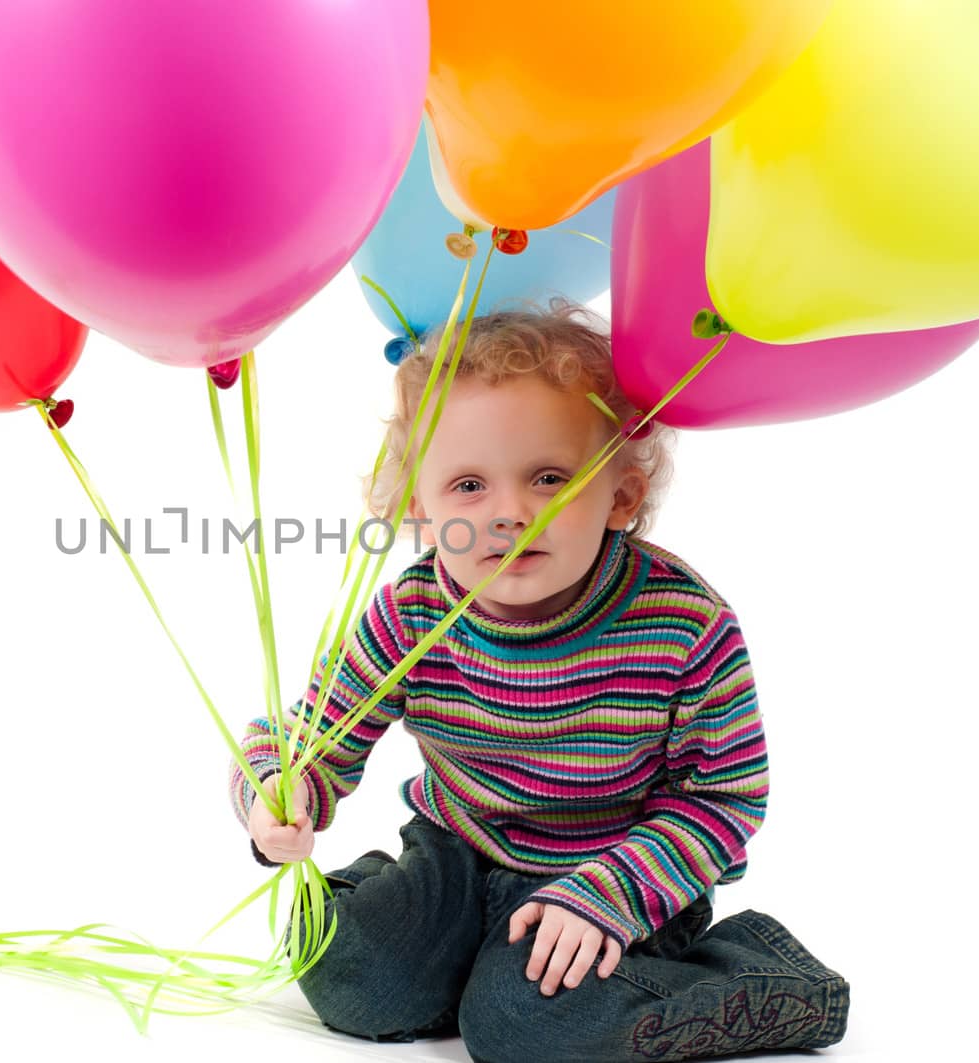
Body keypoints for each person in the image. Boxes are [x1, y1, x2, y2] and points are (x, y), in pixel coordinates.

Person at [226, 303, 850, 1062]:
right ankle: (448, 945)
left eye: (550, 476)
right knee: (357, 981)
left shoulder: (683, 624)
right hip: (461, 849)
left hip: (615, 873)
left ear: (620, 492)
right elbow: (311, 737)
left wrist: (612, 894)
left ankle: (762, 977)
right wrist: (275, 793)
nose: (512, 513)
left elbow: (724, 798)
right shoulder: (413, 613)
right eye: (468, 486)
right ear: (419, 509)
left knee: (519, 1027)